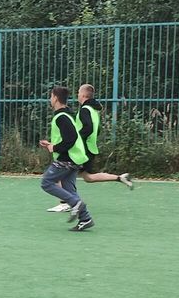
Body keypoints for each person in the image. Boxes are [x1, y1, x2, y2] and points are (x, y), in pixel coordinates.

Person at [48, 84, 134, 212]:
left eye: (78, 92)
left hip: (83, 149)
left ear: (83, 95)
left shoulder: (84, 110)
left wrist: (77, 139)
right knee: (88, 177)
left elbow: (87, 128)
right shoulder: (93, 110)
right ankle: (120, 177)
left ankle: (66, 202)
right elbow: (96, 129)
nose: (77, 94)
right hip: (90, 148)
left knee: (62, 170)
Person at [37, 86, 94, 232]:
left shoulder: (61, 117)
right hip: (74, 158)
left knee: (46, 182)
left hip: (67, 159)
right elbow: (68, 137)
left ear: (55, 98)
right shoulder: (66, 115)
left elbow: (71, 138)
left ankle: (75, 203)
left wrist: (55, 148)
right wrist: (51, 145)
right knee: (69, 188)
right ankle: (85, 219)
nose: (50, 99)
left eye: (51, 96)